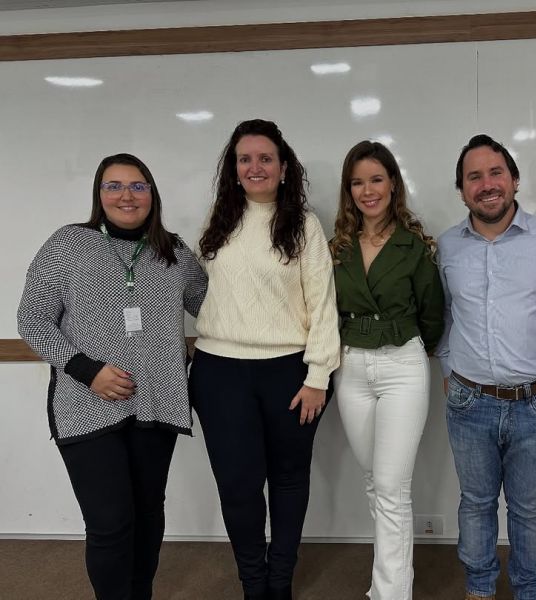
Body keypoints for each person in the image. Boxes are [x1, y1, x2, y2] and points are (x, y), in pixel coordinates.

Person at [17, 153, 208, 600]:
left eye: (138, 186)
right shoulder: (68, 244)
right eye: (114, 186)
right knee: (110, 522)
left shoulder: (175, 253)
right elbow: (32, 320)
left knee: (148, 515)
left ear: (152, 194)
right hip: (87, 406)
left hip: (157, 404)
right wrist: (88, 372)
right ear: (99, 194)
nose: (127, 195)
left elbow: (215, 309)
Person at [189, 119, 339, 600]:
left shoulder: (304, 225)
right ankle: (254, 585)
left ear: (283, 167)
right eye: (245, 159)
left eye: (265, 158)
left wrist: (318, 376)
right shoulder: (217, 223)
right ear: (233, 169)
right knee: (238, 486)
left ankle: (280, 582)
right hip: (218, 372)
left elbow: (323, 303)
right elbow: (202, 293)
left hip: (290, 373)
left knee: (289, 480)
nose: (255, 167)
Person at [436, 134, 536, 600]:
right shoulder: (447, 247)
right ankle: (479, 588)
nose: (487, 184)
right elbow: (444, 316)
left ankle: (528, 590)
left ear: (515, 180)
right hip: (469, 403)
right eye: (474, 177)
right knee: (475, 503)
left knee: (528, 508)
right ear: (461, 190)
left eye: (496, 172)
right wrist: (449, 371)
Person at [330, 140, 445, 600]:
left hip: (402, 364)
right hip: (351, 367)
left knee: (393, 488)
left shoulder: (414, 245)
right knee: (376, 483)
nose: (367, 191)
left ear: (393, 184)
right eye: (357, 182)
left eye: (376, 179)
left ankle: (391, 593)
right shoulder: (337, 247)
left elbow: (433, 315)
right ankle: (388, 583)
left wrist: (413, 350)